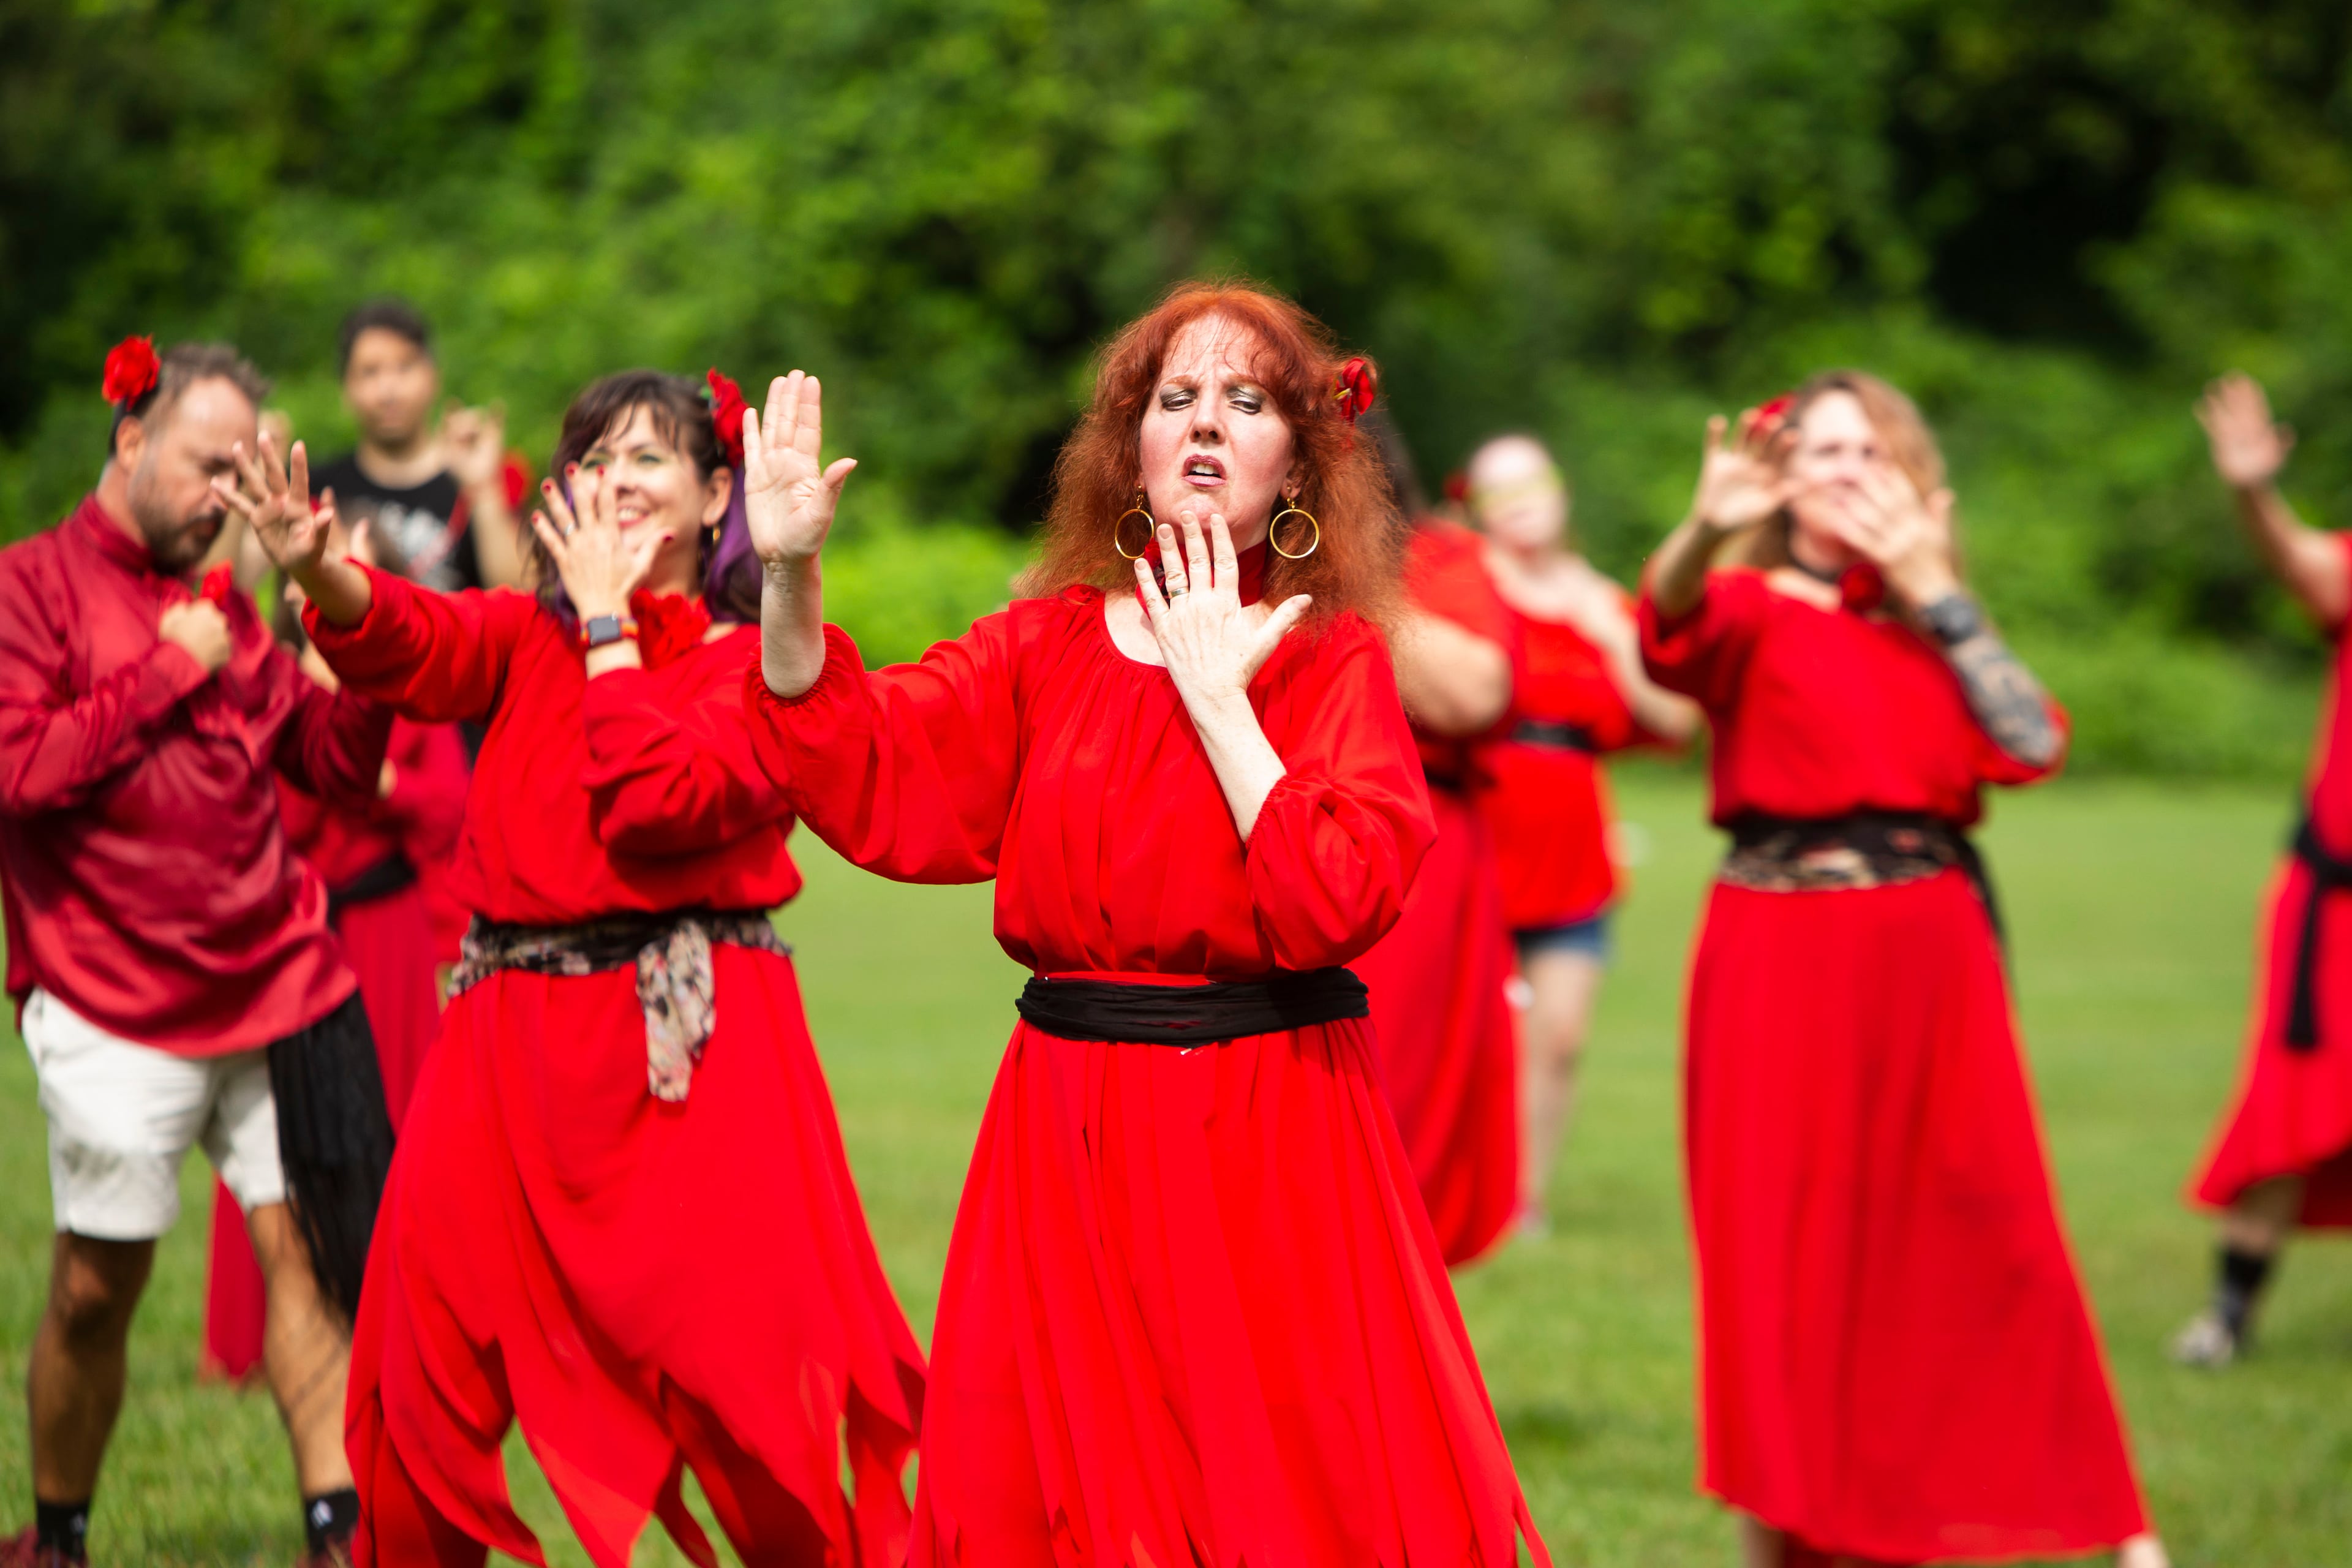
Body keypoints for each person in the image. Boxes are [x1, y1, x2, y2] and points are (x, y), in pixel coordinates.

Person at [741, 282, 1550, 1566]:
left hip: (1269, 1120)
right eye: (1176, 398)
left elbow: (1337, 893)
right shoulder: (1044, 645)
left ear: (1299, 452)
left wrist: (1222, 700)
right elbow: (859, 756)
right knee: (1054, 1493)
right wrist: (789, 572)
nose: (1207, 424)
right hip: (1069, 1123)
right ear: (1132, 442)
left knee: (1278, 1490)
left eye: (1246, 400)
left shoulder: (1331, 655)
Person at [225, 368, 925, 1567]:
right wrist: (313, 568)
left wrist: (607, 627)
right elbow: (407, 633)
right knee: (418, 1364)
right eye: (596, 457)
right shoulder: (519, 633)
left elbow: (658, 803)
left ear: (718, 500)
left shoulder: (762, 666)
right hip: (504, 1046)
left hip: (689, 1054)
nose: (617, 478)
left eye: (649, 456)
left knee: (750, 1385)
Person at [1639, 371, 2165, 1568]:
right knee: (1782, 1250)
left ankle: (2117, 1526)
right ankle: (1782, 1532)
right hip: (1778, 951)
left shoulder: (1939, 623)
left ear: (1913, 477)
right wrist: (1704, 522)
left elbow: (2033, 741)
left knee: (1996, 1229)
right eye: (1822, 449)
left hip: (1930, 953)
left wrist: (1939, 594)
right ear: (1782, 477)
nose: (1845, 468)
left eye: (1870, 450)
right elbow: (1666, 629)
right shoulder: (1747, 600)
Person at [0, 337, 396, 1568]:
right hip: (112, 995)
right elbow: (20, 774)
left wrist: (353, 618)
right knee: (96, 1286)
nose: (229, 491)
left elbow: (333, 766)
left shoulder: (228, 603)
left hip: (279, 979)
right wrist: (174, 670)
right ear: (130, 442)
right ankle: (57, 1534)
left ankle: (339, 1532)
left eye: (246, 465)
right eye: (207, 462)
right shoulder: (32, 585)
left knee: (314, 1260)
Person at [203, 504, 473, 1386]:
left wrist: (381, 778)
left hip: (386, 933)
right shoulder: (267, 680)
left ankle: (401, 1322)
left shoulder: (405, 682)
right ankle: (251, 1339)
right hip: (294, 929)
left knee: (398, 1122)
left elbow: (447, 809)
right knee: (267, 1132)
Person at [1464, 434, 1697, 1231]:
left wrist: (1610, 632)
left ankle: (1523, 1200)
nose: (1520, 500)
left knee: (1558, 1037)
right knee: (1481, 1031)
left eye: (1533, 481)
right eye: (1498, 490)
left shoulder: (1598, 599)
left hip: (1573, 851)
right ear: (1474, 508)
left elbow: (1674, 719)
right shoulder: (1464, 590)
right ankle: (1456, 1187)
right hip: (1478, 837)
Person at [2173, 374, 2352, 1364]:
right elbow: (2302, 563)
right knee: (2293, 1105)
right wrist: (2252, 491)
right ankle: (2229, 1315)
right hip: (2337, 905)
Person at [1351, 412, 1526, 1266]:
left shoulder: (1439, 558)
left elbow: (1473, 695)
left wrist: (1346, 568)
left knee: (1394, 1111)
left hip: (1409, 855)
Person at [310, 300, 529, 595]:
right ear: (346, 388)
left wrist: (483, 488)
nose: (389, 390)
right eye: (370, 372)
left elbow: (519, 594)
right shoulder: (320, 489)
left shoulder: (485, 476)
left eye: (405, 367)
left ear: (433, 376)